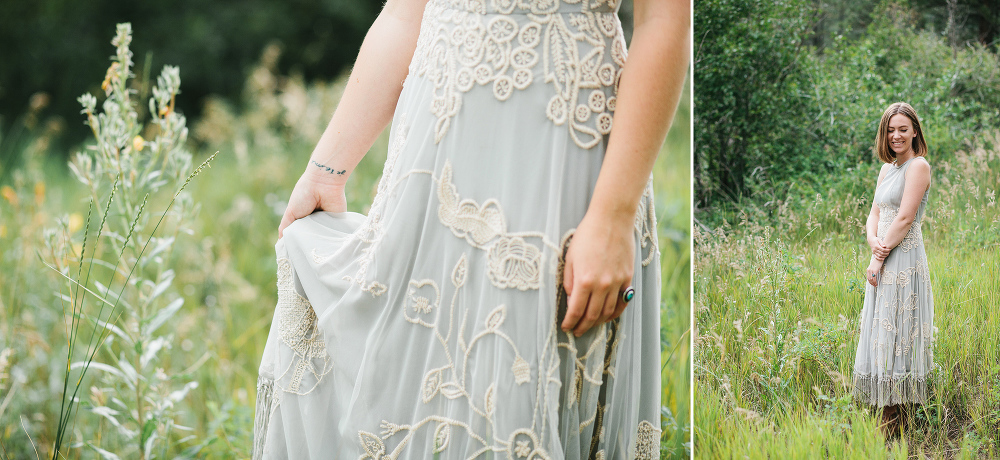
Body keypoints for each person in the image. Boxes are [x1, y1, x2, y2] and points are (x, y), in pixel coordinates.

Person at [252, 0, 690, 457]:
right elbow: (403, 15)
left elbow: (663, 24)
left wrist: (613, 216)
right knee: (411, 390)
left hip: (554, 155)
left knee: (516, 395)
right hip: (433, 158)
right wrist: (326, 170)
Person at [852, 102, 935, 436]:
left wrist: (877, 257)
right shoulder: (887, 168)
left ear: (915, 130)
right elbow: (874, 213)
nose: (896, 135)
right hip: (884, 253)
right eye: (890, 129)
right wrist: (872, 240)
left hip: (903, 260)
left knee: (899, 332)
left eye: (903, 129)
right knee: (880, 334)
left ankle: (898, 422)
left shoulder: (919, 166)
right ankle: (885, 418)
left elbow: (904, 218)